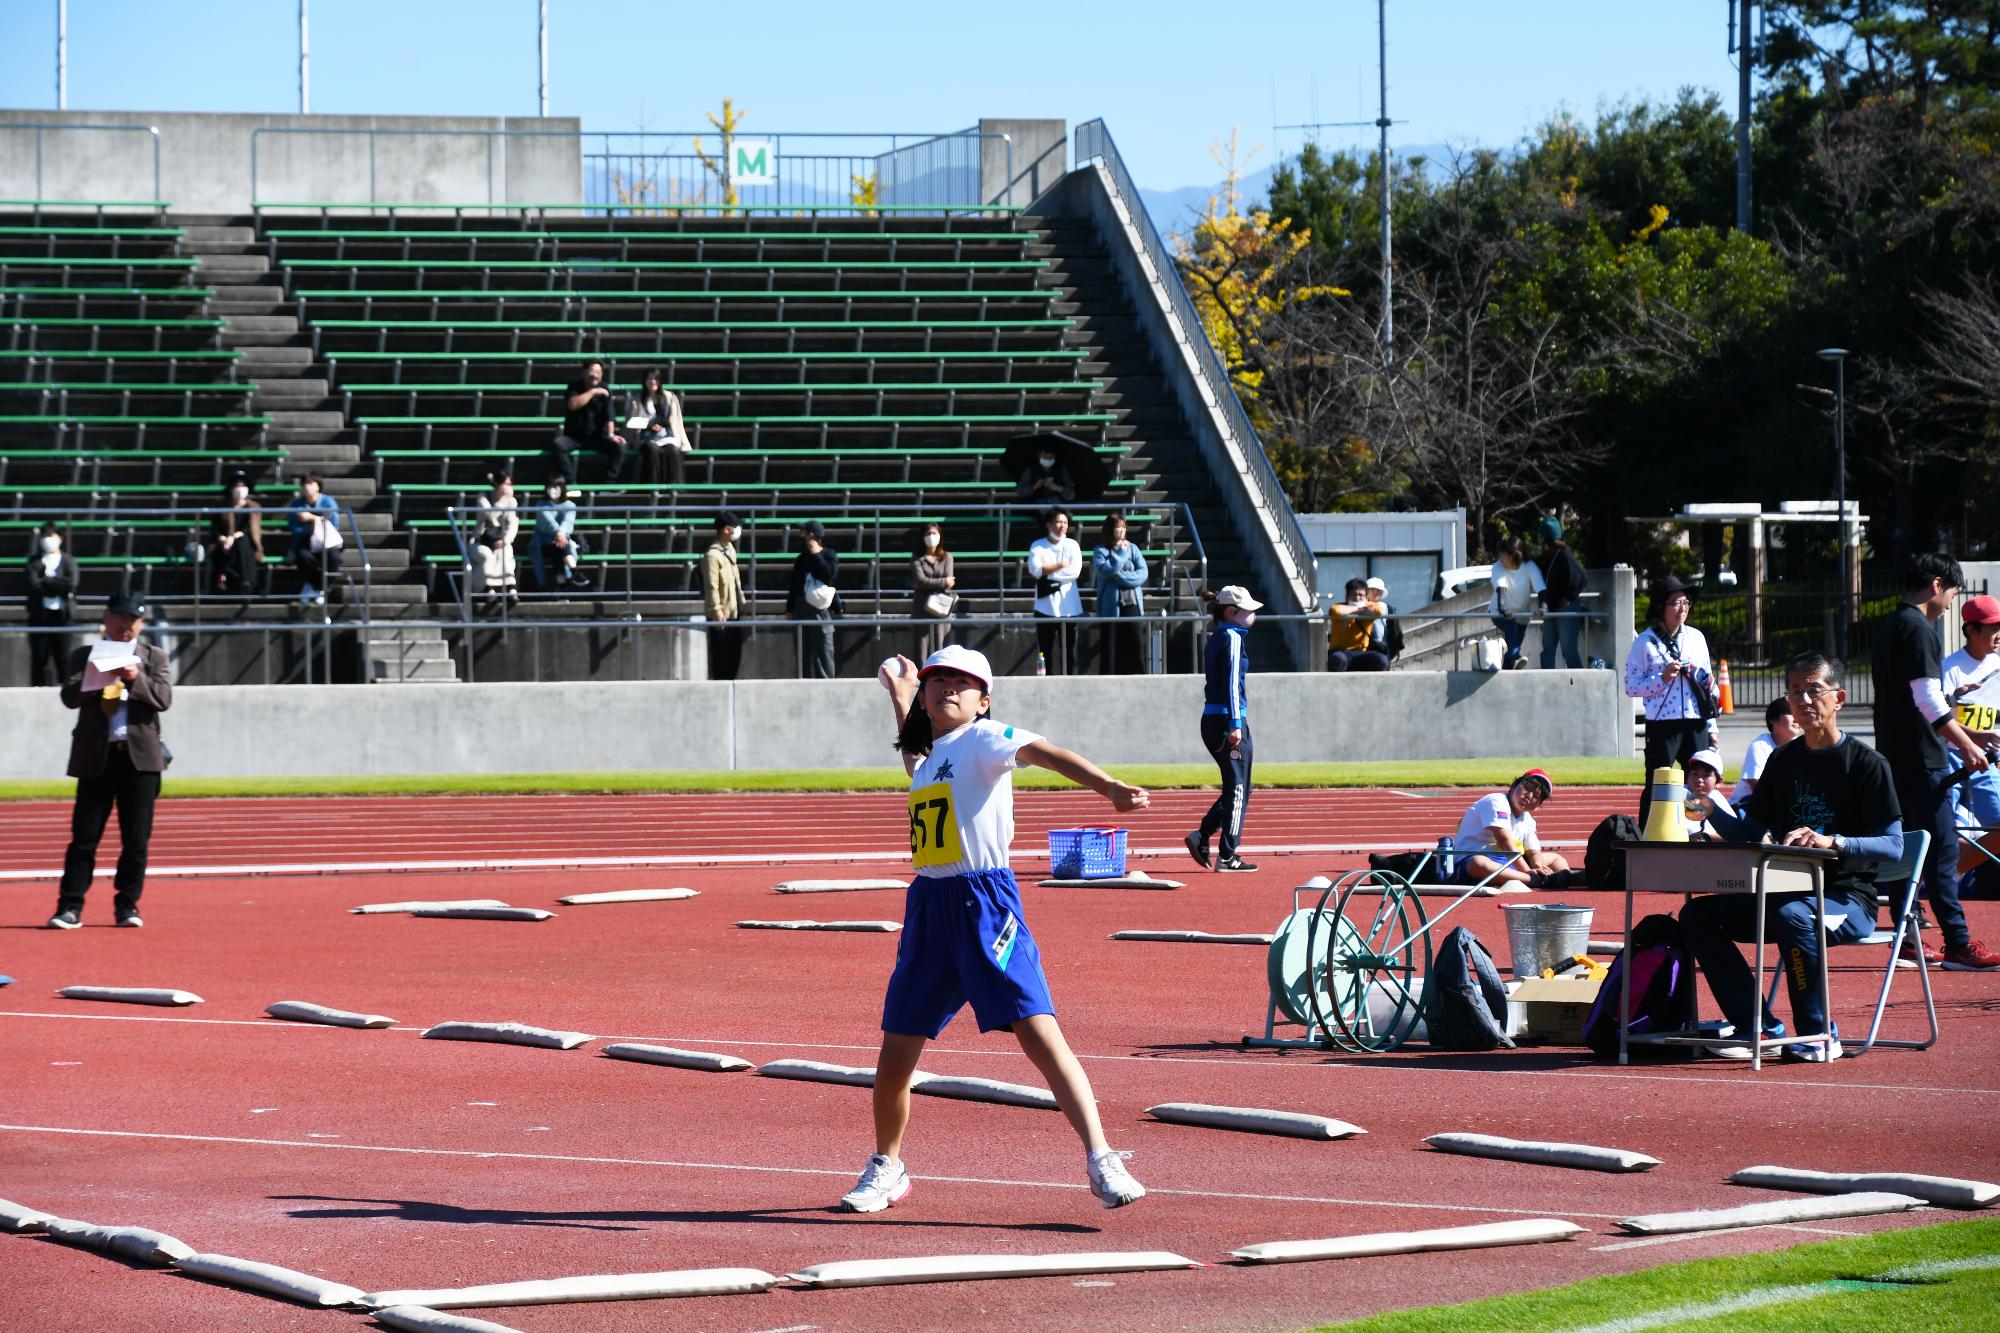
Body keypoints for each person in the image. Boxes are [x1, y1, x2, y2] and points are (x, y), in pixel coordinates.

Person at [841, 643, 1149, 1214]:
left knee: (1037, 1031)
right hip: (930, 907)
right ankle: (888, 1165)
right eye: (938, 681)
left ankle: (1102, 1158)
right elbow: (916, 759)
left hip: (985, 904)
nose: (947, 689)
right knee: (895, 1051)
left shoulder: (987, 740)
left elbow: (1048, 752)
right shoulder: (931, 754)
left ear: (984, 701)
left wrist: (1108, 788)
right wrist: (901, 697)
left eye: (962, 682)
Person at [1686, 652, 1905, 1061]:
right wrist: (1713, 810)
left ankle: (1820, 1034)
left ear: (1838, 698)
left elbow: (1894, 846)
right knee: (1697, 916)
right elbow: (1756, 832)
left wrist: (1832, 842)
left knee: (1794, 917)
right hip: (1781, 892)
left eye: (1814, 690)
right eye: (1795, 692)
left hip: (1847, 898)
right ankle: (1759, 1026)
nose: (1804, 700)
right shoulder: (1782, 761)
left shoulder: (1867, 764)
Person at [1872, 554, 2000, 970]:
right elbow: (1926, 699)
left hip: (1895, 753)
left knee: (1907, 849)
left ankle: (1909, 936)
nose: (1949, 604)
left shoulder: (1890, 625)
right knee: (1944, 849)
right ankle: (1958, 943)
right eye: (1951, 594)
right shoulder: (1918, 628)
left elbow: (1916, 699)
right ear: (1936, 584)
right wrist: (1967, 745)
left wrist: (1969, 732)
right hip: (1922, 760)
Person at [46, 590, 171, 930]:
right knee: (84, 838)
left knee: (136, 840)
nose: (125, 627)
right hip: (96, 758)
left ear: (142, 624)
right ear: (106, 617)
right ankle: (70, 907)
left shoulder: (154, 656)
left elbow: (163, 699)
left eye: (133, 621)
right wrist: (96, 678)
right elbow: (69, 697)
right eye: (120, 619)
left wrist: (135, 677)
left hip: (139, 760)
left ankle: (127, 905)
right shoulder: (83, 655)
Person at [1625, 575, 1718, 826]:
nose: (1682, 609)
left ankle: (1696, 829)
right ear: (1660, 607)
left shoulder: (1697, 638)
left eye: (1686, 603)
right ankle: (1649, 835)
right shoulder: (1644, 642)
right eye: (1676, 603)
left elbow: (1709, 685)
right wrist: (1662, 678)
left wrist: (1712, 726)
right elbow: (1631, 687)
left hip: (1696, 721)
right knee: (1658, 782)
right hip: (1663, 724)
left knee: (1697, 781)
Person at [1185, 585, 1262, 873]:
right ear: (1231, 612)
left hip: (1218, 718)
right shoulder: (1230, 637)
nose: (1254, 616)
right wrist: (1236, 724)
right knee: (1239, 788)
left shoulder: (1223, 635)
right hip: (1225, 720)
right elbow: (1232, 683)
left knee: (1240, 787)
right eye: (1249, 611)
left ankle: (1202, 835)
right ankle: (1228, 855)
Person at [1944, 594, 2000, 878]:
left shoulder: (1998, 667)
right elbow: (1940, 720)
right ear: (1971, 630)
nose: (1998, 633)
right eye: (1992, 627)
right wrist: (1975, 736)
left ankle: (1950, 875)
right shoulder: (1949, 668)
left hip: (1987, 763)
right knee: (1937, 832)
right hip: (1949, 760)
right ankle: (1913, 899)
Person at [1448, 770, 1574, 888]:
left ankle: (1565, 879)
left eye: (1536, 796)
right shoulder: (1496, 801)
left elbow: (1534, 852)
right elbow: (1504, 841)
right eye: (1527, 788)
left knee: (1556, 858)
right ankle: (1533, 880)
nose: (1529, 796)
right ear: (1514, 785)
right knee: (1478, 862)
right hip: (1471, 863)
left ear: (1537, 806)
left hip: (1507, 863)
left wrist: (1538, 866)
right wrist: (1528, 872)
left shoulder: (1528, 820)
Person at [550, 359, 628, 483]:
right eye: (592, 371)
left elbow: (609, 416)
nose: (595, 375)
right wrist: (592, 392)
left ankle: (608, 484)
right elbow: (572, 404)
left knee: (620, 446)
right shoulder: (574, 387)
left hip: (596, 437)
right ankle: (570, 483)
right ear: (584, 372)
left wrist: (611, 435)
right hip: (573, 437)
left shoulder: (605, 388)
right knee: (557, 445)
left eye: (598, 372)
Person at [1027, 506, 1082, 675]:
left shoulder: (1072, 545)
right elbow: (1034, 569)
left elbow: (1074, 572)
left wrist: (1047, 570)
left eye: (1065, 522)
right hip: (1045, 606)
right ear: (1049, 524)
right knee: (1045, 651)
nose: (1062, 526)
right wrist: (1060, 565)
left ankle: (1071, 681)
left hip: (1070, 606)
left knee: (1070, 652)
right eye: (1058, 522)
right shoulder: (1038, 545)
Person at [1091, 512, 1147, 675]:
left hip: (1132, 604)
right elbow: (1104, 570)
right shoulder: (1100, 551)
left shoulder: (1134, 548)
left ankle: (1139, 678)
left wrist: (1120, 577)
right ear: (1110, 530)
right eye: (1118, 527)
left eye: (1124, 527)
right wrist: (1121, 554)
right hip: (1110, 606)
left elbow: (1143, 573)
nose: (1122, 531)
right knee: (1110, 646)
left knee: (1136, 644)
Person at [25, 523, 78, 687]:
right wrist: (57, 586)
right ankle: (37, 692)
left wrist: (46, 581)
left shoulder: (68, 560)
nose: (47, 540)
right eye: (44, 537)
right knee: (39, 659)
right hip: (40, 616)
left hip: (62, 616)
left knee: (63, 658)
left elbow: (72, 583)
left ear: (60, 538)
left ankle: (66, 692)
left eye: (51, 536)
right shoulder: (33, 561)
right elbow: (33, 585)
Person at [788, 519, 839, 679]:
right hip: (801, 609)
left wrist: (816, 554)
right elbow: (795, 586)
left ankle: (827, 683)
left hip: (820, 610)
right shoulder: (801, 558)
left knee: (824, 649)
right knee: (803, 651)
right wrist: (789, 608)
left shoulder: (829, 555)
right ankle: (803, 682)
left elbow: (829, 577)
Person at [1536, 517, 1589, 669]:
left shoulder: (1565, 555)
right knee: (1547, 650)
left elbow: (1582, 577)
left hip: (1566, 608)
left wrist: (1569, 597)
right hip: (1551, 608)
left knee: (1569, 652)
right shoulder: (1546, 557)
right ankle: (1547, 684)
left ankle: (1578, 686)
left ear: (1546, 539)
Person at [285, 472, 342, 607]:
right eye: (304, 484)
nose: (307, 487)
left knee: (334, 559)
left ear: (318, 486)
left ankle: (318, 588)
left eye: (310, 483)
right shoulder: (296, 505)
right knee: (303, 556)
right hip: (304, 541)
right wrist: (311, 528)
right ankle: (315, 586)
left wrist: (312, 519)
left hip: (326, 541)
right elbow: (295, 529)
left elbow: (333, 524)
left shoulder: (328, 502)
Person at [1730, 697, 1802, 806]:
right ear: (1773, 719)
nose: (1796, 718)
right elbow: (1755, 784)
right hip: (1747, 805)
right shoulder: (1760, 746)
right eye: (1790, 713)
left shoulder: (1801, 745)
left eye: (1798, 713)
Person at [1488, 537, 1544, 670]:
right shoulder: (1498, 566)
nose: (1500, 556)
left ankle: (1507, 672)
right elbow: (1501, 587)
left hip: (1522, 614)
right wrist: (1502, 609)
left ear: (1513, 555)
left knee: (1514, 644)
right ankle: (1516, 657)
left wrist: (1544, 607)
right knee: (1512, 632)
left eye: (1503, 553)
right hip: (1499, 612)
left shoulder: (1529, 566)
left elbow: (1541, 588)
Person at [702, 510, 746, 681]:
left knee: (734, 656)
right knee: (721, 659)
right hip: (721, 615)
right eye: (735, 527)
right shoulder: (712, 556)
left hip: (734, 612)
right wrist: (716, 610)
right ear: (726, 530)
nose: (738, 530)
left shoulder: (730, 550)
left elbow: (735, 581)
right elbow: (711, 586)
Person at [627, 367, 689, 488]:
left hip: (667, 435)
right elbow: (631, 421)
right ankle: (652, 488)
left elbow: (675, 420)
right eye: (650, 379)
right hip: (646, 437)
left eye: (656, 379)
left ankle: (674, 488)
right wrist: (648, 424)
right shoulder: (638, 399)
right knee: (652, 451)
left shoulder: (669, 397)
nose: (653, 382)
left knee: (673, 451)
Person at [529, 473, 590, 590]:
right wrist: (558, 533)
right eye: (550, 486)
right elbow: (548, 521)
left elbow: (568, 521)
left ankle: (562, 588)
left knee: (558, 549)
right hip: (542, 542)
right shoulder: (541, 504)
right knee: (561, 545)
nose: (553, 490)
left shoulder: (570, 505)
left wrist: (560, 534)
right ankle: (575, 572)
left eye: (557, 486)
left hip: (559, 543)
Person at [470, 470, 519, 610]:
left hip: (499, 541)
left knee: (506, 552)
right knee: (487, 557)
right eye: (506, 484)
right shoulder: (483, 498)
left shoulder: (512, 502)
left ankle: (511, 589)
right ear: (497, 484)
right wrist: (503, 501)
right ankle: (487, 590)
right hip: (480, 540)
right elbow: (490, 516)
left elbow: (513, 524)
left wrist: (506, 539)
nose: (509, 488)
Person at [207, 471, 263, 596]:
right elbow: (214, 529)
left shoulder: (253, 507)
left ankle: (244, 583)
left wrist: (234, 537)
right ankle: (246, 582)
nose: (240, 489)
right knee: (237, 551)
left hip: (245, 546)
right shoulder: (221, 506)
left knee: (242, 542)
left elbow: (252, 531)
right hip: (223, 547)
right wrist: (224, 539)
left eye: (243, 486)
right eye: (237, 486)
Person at [1326, 577, 1390, 673]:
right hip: (1340, 652)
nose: (1357, 598)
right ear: (1347, 596)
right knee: (1338, 660)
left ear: (1366, 597)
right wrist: (1358, 609)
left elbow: (1378, 611)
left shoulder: (1371, 605)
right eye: (1353, 594)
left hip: (1362, 652)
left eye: (1361, 595)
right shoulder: (1338, 606)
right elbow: (1335, 611)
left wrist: (1353, 610)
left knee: (1382, 660)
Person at [911, 522, 956, 658]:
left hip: (941, 606)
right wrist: (943, 582)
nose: (931, 536)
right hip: (921, 606)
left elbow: (950, 583)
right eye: (928, 534)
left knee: (942, 646)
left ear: (940, 536)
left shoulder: (947, 557)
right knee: (921, 647)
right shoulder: (917, 557)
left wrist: (928, 584)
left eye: (934, 533)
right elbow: (920, 581)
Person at [1682, 747, 1734, 839]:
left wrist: (1706, 837)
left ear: (1718, 781)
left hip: (1709, 849)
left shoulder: (1716, 798)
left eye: (1706, 775)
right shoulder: (1679, 794)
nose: (1699, 780)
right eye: (1694, 773)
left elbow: (1733, 835)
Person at [1364, 576, 1404, 665]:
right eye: (1373, 589)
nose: (1376, 592)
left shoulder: (1388, 608)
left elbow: (1395, 630)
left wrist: (1396, 647)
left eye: (1379, 590)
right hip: (1367, 649)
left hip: (1385, 649)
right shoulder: (1361, 607)